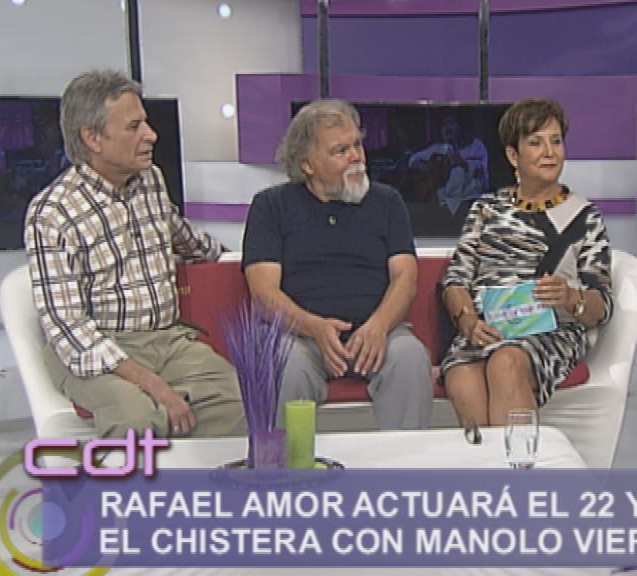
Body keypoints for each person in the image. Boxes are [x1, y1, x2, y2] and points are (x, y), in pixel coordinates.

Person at [25, 70, 245, 439]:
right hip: (95, 348)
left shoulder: (151, 181)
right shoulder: (53, 213)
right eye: (134, 126)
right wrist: (155, 386)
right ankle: (134, 478)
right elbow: (69, 328)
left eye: (146, 122)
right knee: (137, 418)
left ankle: (197, 478)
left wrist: (237, 258)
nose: (151, 134)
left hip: (167, 340)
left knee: (238, 399)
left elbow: (184, 238)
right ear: (93, 138)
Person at [242, 99, 432, 430]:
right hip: (298, 336)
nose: (357, 157)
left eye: (357, 144)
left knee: (410, 358)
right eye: (340, 150)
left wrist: (378, 325)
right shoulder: (271, 206)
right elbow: (263, 292)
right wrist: (314, 327)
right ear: (307, 165)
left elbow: (406, 277)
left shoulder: (387, 202)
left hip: (377, 331)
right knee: (285, 364)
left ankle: (405, 461)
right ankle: (286, 462)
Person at [441, 98, 614, 427]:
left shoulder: (584, 217)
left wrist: (570, 297)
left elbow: (602, 305)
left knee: (506, 362)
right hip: (488, 328)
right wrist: (468, 321)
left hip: (550, 330)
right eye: (535, 143)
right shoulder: (486, 209)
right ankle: (490, 461)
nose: (549, 152)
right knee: (462, 375)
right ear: (513, 155)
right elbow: (455, 281)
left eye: (556, 141)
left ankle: (518, 460)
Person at [408, 112, 489, 214]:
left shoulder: (475, 145)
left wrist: (463, 163)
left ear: (461, 126)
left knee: (458, 172)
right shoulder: (439, 148)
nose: (446, 128)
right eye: (443, 124)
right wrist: (425, 166)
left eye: (450, 123)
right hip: (441, 205)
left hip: (469, 201)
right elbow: (412, 160)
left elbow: (481, 170)